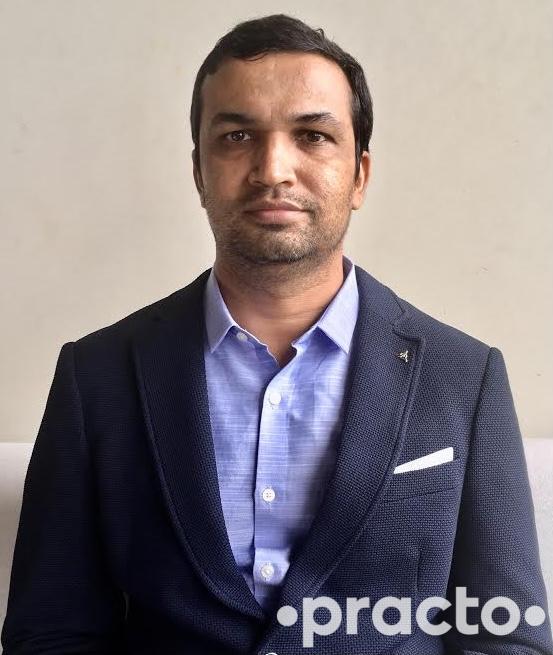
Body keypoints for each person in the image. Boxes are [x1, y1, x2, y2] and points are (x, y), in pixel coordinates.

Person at [2, 13, 552, 655]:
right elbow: (50, 632)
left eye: (312, 136)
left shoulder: (464, 377)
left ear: (360, 175)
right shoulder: (97, 376)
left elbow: (507, 637)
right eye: (237, 136)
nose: (273, 169)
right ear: (199, 171)